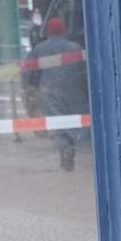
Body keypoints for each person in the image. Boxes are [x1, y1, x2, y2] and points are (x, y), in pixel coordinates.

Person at [23, 16, 89, 170]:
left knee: (58, 124)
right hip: (75, 93)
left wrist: (29, 88)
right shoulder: (76, 48)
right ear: (63, 30)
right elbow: (85, 73)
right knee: (74, 122)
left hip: (50, 93)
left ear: (48, 31)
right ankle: (71, 148)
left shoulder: (39, 50)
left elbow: (29, 72)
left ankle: (66, 152)